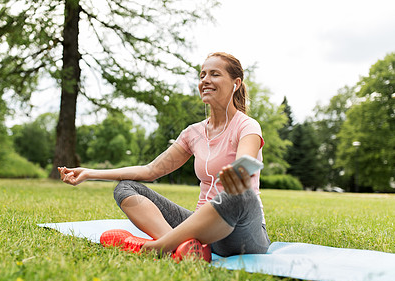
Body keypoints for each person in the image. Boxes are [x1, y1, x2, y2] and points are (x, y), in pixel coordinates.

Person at [59, 52, 270, 261]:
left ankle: (156, 247)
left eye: (214, 74)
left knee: (242, 194)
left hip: (241, 234)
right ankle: (181, 248)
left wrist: (237, 175)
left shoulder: (247, 126)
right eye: (202, 75)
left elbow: (245, 163)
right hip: (202, 229)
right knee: (126, 187)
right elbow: (151, 171)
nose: (205, 80)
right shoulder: (193, 133)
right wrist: (89, 173)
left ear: (236, 83)